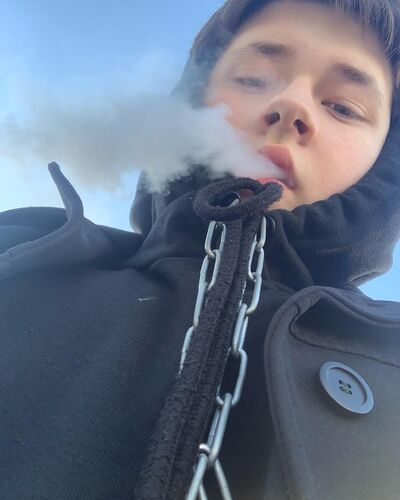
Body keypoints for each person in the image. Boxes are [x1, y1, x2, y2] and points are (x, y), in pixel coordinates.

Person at [1, 0, 400, 499]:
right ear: (193, 98)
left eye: (343, 107)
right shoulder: (21, 255)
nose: (292, 104)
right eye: (253, 78)